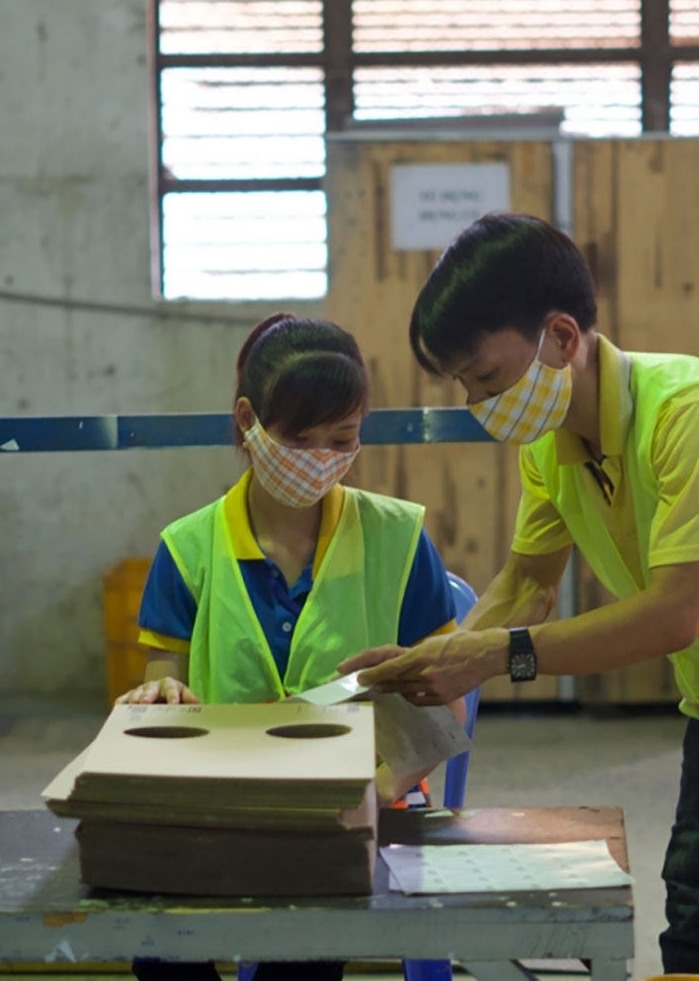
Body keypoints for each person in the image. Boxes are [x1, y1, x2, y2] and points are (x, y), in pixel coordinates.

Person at [340, 214, 699, 977]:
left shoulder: (692, 415)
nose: (480, 400)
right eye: (464, 383)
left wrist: (492, 657)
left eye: (487, 377)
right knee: (698, 891)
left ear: (561, 337)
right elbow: (526, 584)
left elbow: (672, 615)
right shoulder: (551, 443)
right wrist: (422, 667)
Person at [122, 313, 464, 981]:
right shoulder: (186, 550)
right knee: (155, 941)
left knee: (303, 944)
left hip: (360, 802)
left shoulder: (398, 540)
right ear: (249, 420)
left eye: (341, 439)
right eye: (298, 437)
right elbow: (162, 684)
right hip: (225, 804)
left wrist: (385, 771)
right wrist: (160, 697)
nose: (319, 459)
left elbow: (444, 702)